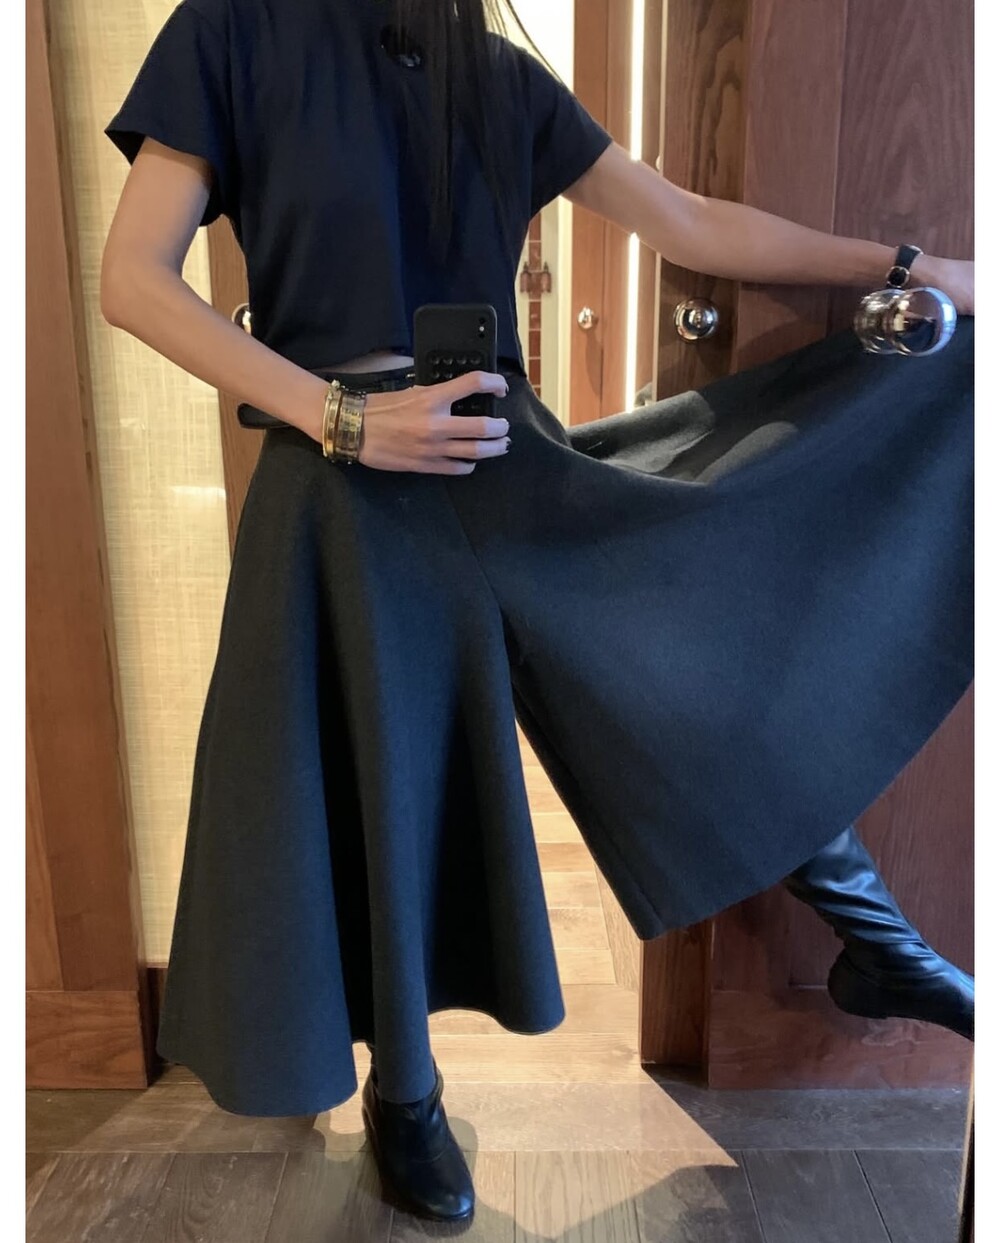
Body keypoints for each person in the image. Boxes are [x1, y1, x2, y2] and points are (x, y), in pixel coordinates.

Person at [100, 0, 974, 1224]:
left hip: (503, 457)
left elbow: (686, 220)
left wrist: (916, 271)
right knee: (390, 784)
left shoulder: (495, 74)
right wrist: (345, 418)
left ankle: (875, 940)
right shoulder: (231, 32)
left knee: (689, 660)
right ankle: (405, 1096)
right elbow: (133, 283)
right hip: (341, 486)